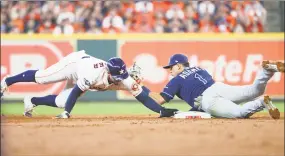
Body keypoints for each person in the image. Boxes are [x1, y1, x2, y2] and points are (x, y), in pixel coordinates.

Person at [1, 50, 175, 118]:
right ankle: (7, 81)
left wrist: (161, 111)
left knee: (62, 101)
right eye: (117, 77)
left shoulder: (124, 78)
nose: (120, 80)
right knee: (42, 78)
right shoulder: (94, 73)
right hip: (74, 65)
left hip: (85, 76)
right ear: (109, 72)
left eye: (122, 76)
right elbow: (76, 92)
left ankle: (31, 100)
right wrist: (67, 113)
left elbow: (144, 98)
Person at [141, 53, 284, 119]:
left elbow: (160, 99)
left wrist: (141, 86)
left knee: (239, 113)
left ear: (178, 66)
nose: (170, 70)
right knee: (253, 90)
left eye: (171, 67)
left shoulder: (176, 80)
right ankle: (266, 71)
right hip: (218, 87)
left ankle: (260, 102)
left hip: (208, 99)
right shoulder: (199, 68)